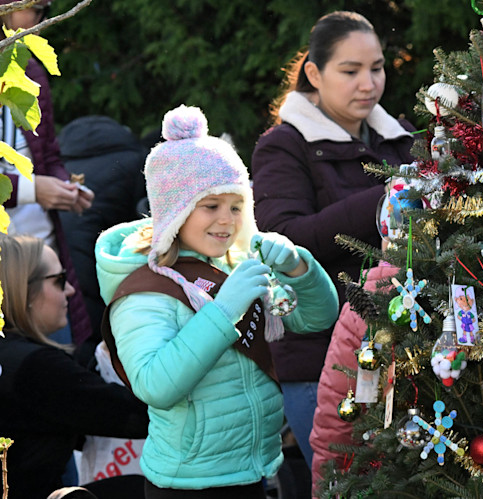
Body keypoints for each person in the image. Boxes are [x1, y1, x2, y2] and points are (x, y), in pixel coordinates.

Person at [95, 105, 338, 498]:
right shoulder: (143, 287)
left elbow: (316, 319)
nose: (227, 220)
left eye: (236, 206)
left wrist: (298, 269)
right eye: (211, 206)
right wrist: (225, 311)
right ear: (175, 211)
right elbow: (155, 385)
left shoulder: (235, 263)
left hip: (250, 469)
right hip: (187, 483)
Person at [251, 10, 416, 470]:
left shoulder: (401, 142)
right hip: (318, 361)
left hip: (402, 355)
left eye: (377, 68)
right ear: (313, 73)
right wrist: (386, 197)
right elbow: (284, 239)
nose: (368, 84)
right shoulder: (283, 145)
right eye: (350, 71)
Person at [0, 233, 149, 499]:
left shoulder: (14, 356)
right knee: (137, 491)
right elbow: (136, 417)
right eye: (59, 280)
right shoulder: (34, 367)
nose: (70, 289)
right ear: (25, 290)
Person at [0, 0, 93, 346]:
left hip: (43, 263)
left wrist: (64, 186)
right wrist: (33, 190)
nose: (39, 19)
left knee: (60, 366)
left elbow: (48, 152)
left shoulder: (30, 71)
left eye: (44, 8)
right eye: (33, 6)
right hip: (5, 273)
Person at [57, 115, 147, 366]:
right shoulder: (133, 160)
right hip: (101, 265)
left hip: (58, 264)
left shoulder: (60, 162)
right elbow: (141, 221)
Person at [309, 242, 397, 494]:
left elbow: (333, 423)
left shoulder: (374, 293)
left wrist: (324, 486)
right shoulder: (370, 298)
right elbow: (338, 405)